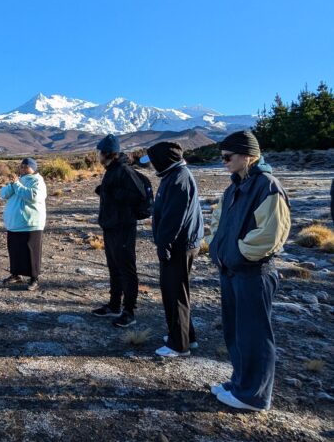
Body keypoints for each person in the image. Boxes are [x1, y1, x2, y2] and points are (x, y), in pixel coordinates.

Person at [205, 130, 291, 411]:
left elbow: (271, 234)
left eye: (228, 157)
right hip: (231, 270)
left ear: (247, 156)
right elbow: (218, 222)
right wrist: (216, 247)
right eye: (222, 158)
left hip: (253, 272)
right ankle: (241, 382)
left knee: (254, 335)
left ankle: (254, 395)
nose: (224, 162)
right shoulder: (234, 187)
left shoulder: (267, 186)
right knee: (236, 332)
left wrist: (236, 253)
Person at [146, 141, 204, 357]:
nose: (152, 165)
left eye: (153, 161)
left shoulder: (179, 179)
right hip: (179, 244)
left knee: (175, 292)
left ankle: (179, 345)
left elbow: (174, 218)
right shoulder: (174, 175)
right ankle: (185, 336)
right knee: (176, 290)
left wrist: (164, 244)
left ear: (164, 161)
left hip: (179, 246)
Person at [92, 134, 146, 328]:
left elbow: (137, 195)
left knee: (126, 269)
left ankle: (129, 311)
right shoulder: (112, 170)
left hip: (123, 227)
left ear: (108, 153)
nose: (97, 155)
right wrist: (104, 190)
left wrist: (111, 192)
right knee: (114, 268)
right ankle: (114, 305)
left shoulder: (123, 170)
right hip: (111, 226)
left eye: (99, 152)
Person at [0, 157, 47, 291]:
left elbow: (33, 196)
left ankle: (34, 278)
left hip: (31, 223)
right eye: (21, 166)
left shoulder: (37, 181)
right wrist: (12, 185)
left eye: (26, 166)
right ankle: (15, 274)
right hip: (14, 224)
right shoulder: (17, 180)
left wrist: (17, 185)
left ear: (34, 168)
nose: (23, 168)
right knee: (15, 250)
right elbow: (3, 194)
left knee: (31, 251)